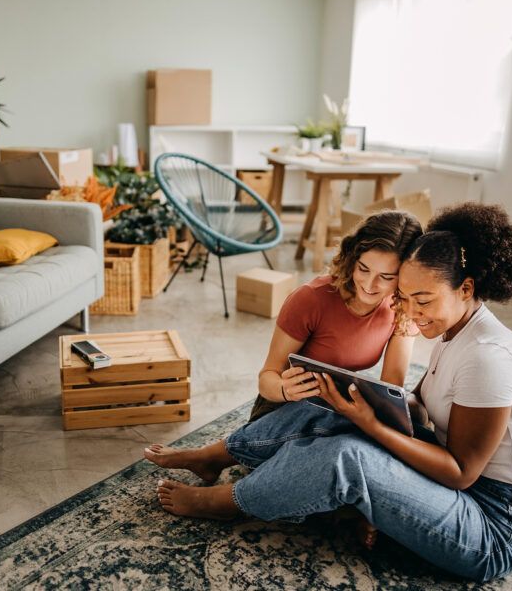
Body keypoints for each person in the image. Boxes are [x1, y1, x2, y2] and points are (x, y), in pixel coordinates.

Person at [147, 203, 512, 583]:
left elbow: (460, 474)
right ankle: (221, 455)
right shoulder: (453, 329)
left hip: (493, 526)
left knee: (348, 457)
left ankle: (223, 503)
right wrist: (362, 407)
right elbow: (418, 410)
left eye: (422, 300)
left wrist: (371, 425)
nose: (412, 312)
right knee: (336, 405)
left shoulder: (487, 358)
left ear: (466, 288)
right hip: (453, 490)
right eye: (405, 299)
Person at [145, 209, 423, 546]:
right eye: (363, 268)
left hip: (333, 420)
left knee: (371, 433)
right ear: (352, 257)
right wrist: (285, 388)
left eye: (386, 277)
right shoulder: (312, 299)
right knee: (323, 411)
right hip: (281, 413)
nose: (369, 283)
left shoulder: (400, 309)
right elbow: (266, 378)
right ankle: (217, 458)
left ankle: (327, 508)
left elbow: (390, 391)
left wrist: (381, 418)